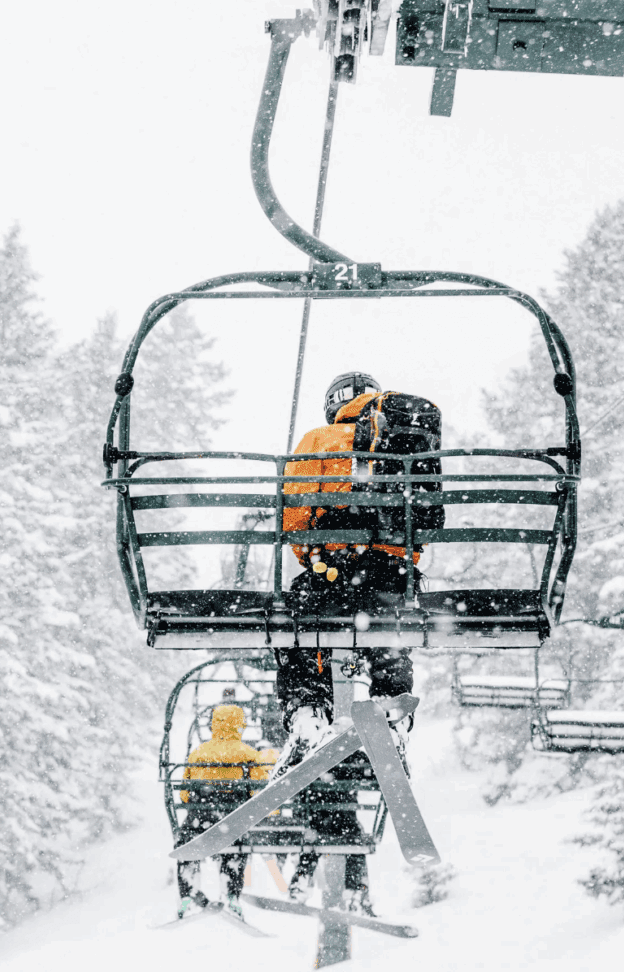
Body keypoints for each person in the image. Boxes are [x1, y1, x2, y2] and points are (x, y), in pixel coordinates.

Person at [273, 372, 434, 910]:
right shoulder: (408, 437)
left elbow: (294, 512)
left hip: (334, 573)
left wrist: (315, 550)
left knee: (302, 636)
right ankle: (391, 709)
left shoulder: (319, 442)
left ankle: (306, 710)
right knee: (387, 637)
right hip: (389, 577)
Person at [176, 704, 273, 919]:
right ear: (239, 725)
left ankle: (188, 894)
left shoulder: (198, 754)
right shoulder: (248, 754)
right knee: (235, 850)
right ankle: (230, 894)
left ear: (214, 725)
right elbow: (257, 791)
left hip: (199, 820)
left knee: (188, 847)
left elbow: (184, 794)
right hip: (232, 820)